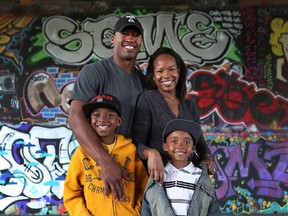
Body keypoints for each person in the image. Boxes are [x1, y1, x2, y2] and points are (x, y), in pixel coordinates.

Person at [68, 14, 148, 201]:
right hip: (96, 165)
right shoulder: (94, 72)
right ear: (114, 38)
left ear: (141, 41)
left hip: (131, 166)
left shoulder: (144, 83)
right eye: (124, 33)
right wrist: (106, 162)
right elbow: (75, 117)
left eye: (135, 35)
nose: (130, 38)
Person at [132, 47, 217, 185]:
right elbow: (136, 143)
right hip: (160, 182)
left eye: (171, 69)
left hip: (189, 181)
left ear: (178, 71)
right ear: (153, 76)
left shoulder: (189, 106)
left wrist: (207, 158)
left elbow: (201, 144)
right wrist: (150, 153)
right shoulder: (148, 100)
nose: (166, 75)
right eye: (160, 71)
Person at [64, 93, 148, 216]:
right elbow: (72, 192)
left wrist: (136, 211)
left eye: (110, 115)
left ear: (119, 121)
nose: (102, 119)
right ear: (89, 121)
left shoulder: (130, 150)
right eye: (96, 115)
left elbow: (143, 186)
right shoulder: (81, 153)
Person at [141, 119, 221, 216]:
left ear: (193, 149)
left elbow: (213, 209)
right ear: (165, 146)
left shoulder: (200, 176)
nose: (180, 145)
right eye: (174, 141)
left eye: (187, 142)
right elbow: (147, 207)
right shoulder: (159, 174)